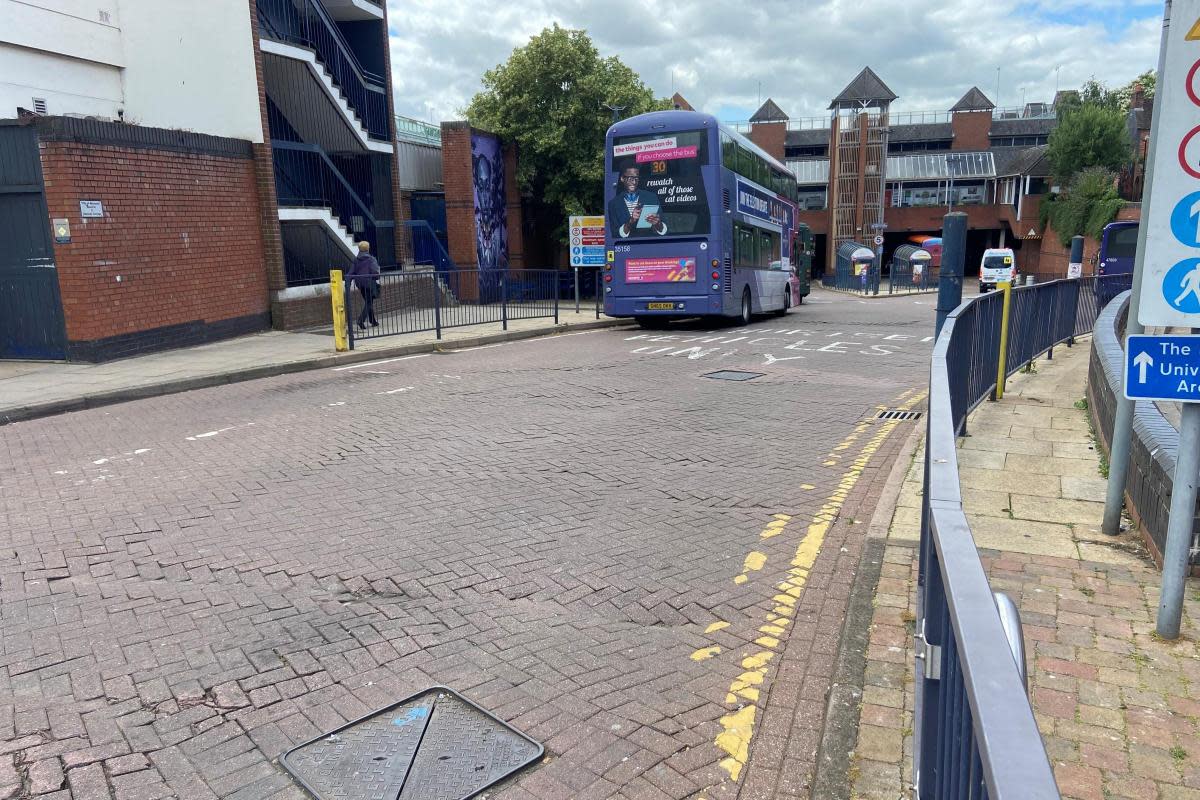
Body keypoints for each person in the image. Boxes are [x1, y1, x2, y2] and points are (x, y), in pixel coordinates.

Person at [607, 166, 667, 238]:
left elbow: (665, 230)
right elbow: (615, 234)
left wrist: (658, 224)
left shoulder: (651, 197)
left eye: (636, 178)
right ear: (622, 178)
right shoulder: (613, 204)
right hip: (627, 246)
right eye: (630, 178)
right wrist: (630, 222)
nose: (634, 182)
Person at [347, 241, 381, 329]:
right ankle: (361, 320)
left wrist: (348, 283)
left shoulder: (356, 260)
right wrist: (377, 276)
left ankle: (372, 321)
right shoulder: (371, 259)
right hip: (369, 283)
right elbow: (375, 272)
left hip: (360, 284)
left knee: (368, 302)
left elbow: (351, 272)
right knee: (369, 302)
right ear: (368, 248)